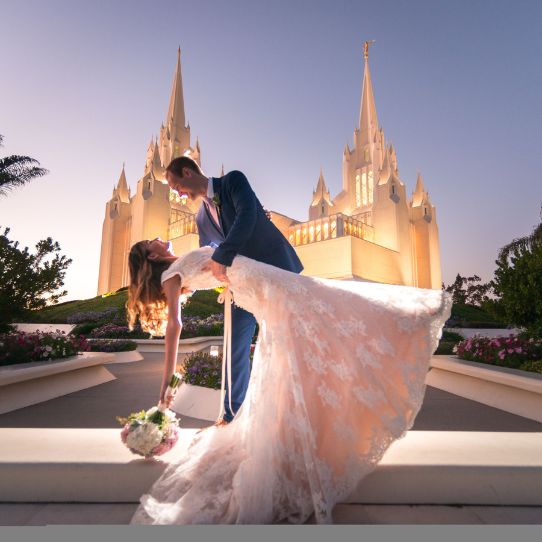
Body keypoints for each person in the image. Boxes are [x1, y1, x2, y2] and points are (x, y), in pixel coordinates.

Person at [126, 240, 452, 524]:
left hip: (259, 279)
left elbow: (216, 266)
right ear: (151, 257)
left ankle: (393, 331)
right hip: (262, 281)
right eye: (149, 242)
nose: (157, 237)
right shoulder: (171, 276)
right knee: (323, 304)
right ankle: (403, 322)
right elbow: (174, 327)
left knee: (321, 309)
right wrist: (165, 386)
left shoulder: (178, 266)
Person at [164, 157, 303, 425]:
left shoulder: (233, 181)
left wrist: (223, 255)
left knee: (287, 342)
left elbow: (247, 216)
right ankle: (231, 416)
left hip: (277, 272)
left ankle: (293, 413)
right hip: (241, 287)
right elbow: (208, 252)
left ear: (187, 171)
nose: (176, 192)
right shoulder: (200, 217)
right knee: (234, 347)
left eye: (174, 184)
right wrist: (186, 279)